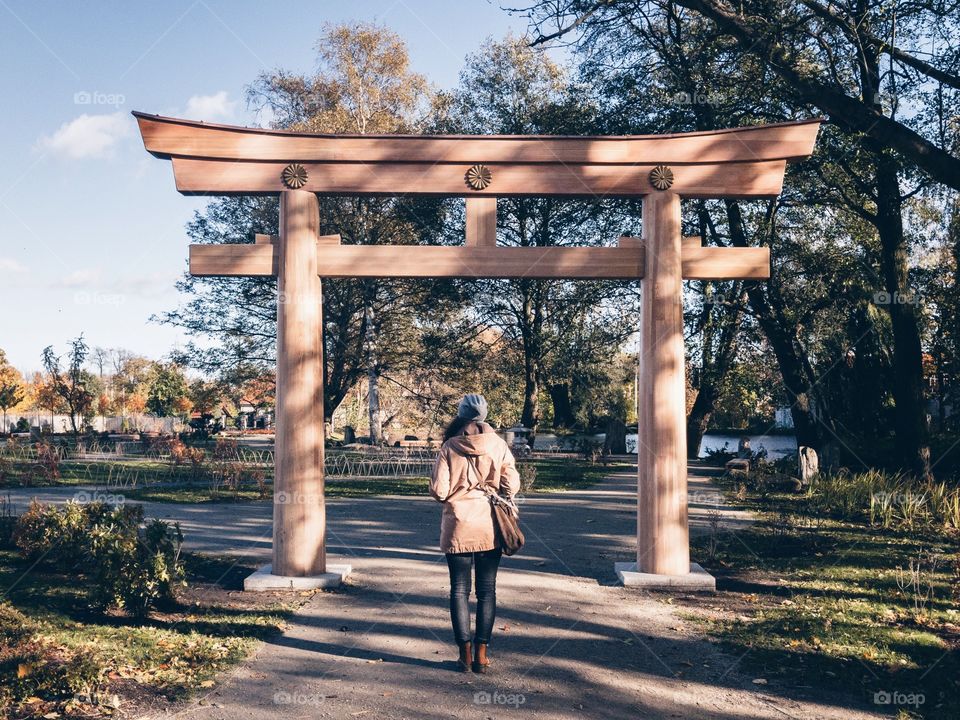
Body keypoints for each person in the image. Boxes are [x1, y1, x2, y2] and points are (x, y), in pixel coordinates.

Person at [429, 393, 520, 673]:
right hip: (489, 526)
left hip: (458, 525)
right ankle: (482, 656)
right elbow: (512, 485)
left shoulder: (449, 447)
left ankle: (464, 656)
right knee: (487, 592)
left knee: (459, 590)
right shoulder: (498, 445)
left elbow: (439, 491)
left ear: (461, 414)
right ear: (484, 415)